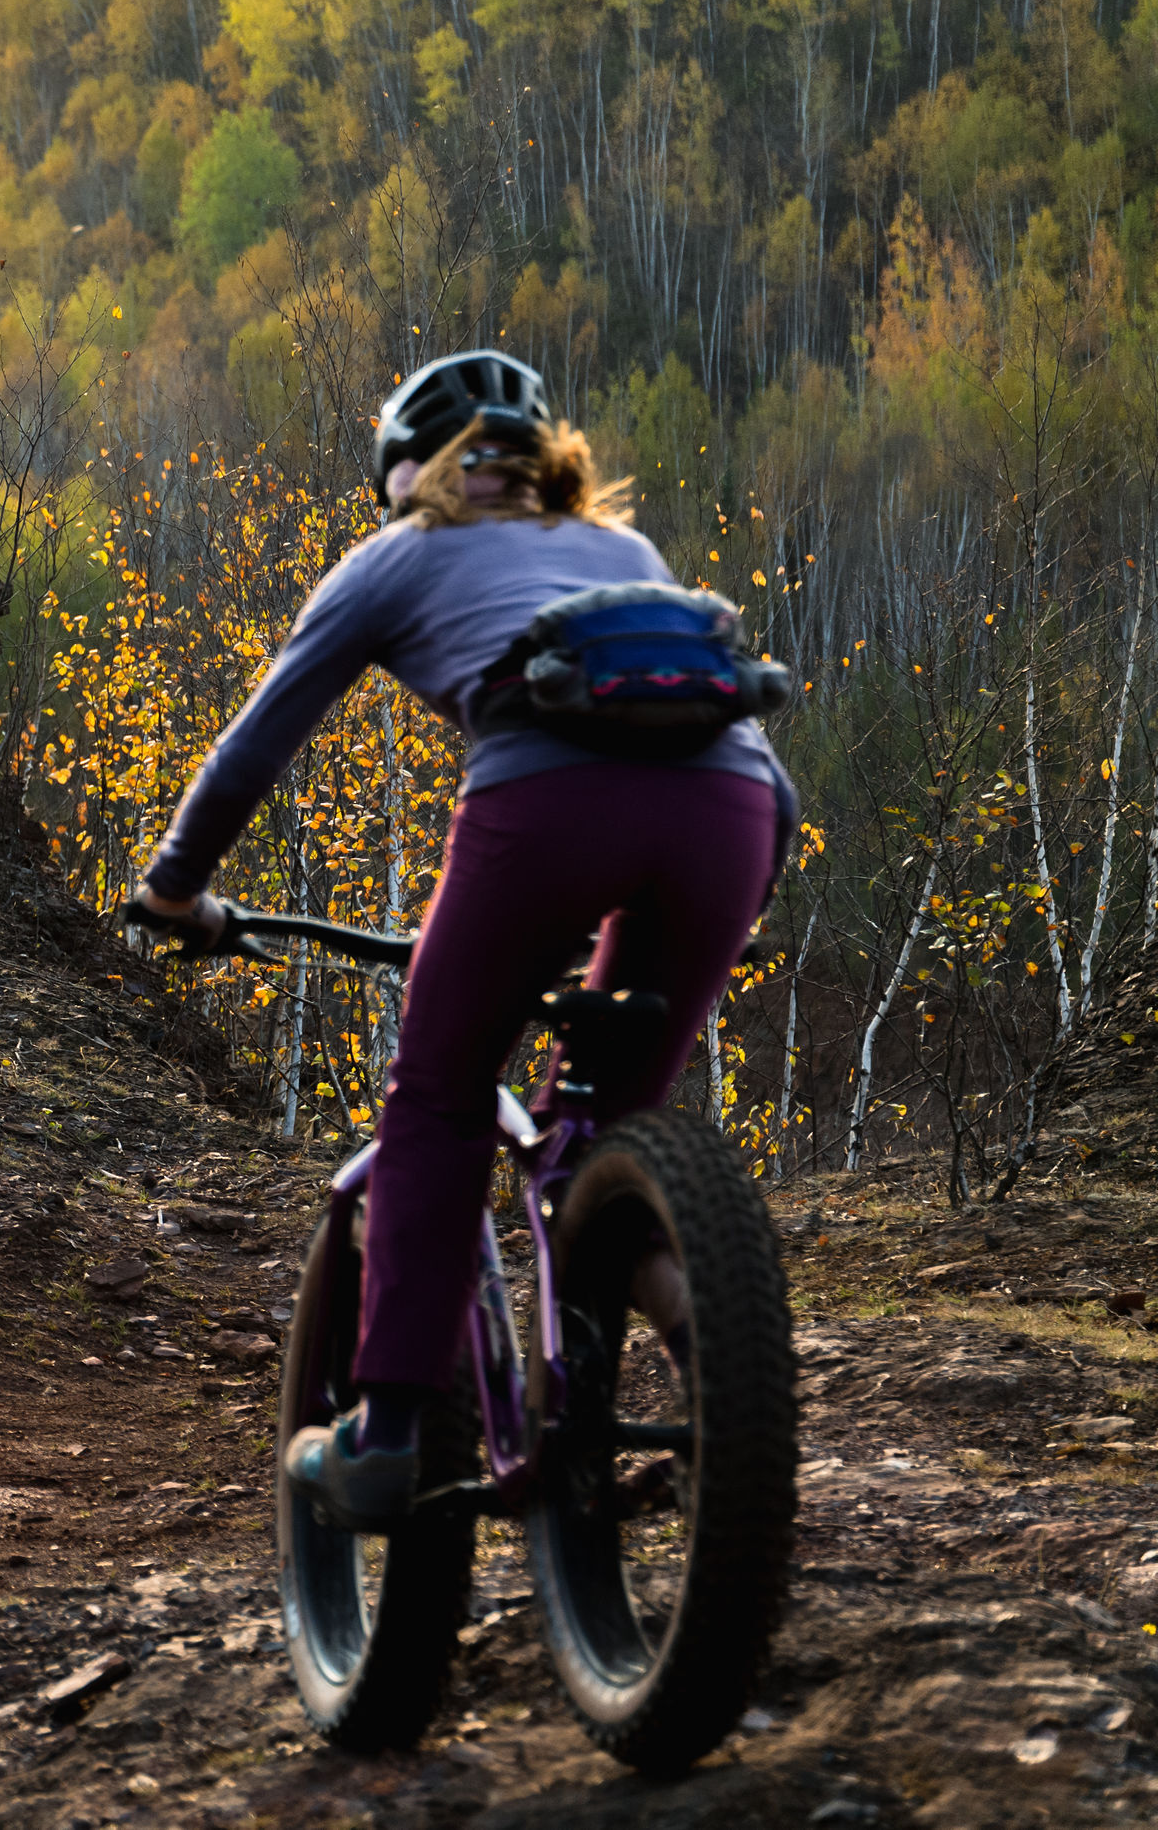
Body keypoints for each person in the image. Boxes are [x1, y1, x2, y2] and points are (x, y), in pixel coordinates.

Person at [128, 349, 792, 1528]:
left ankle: (385, 1435)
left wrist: (176, 887)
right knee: (609, 1136)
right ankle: (726, 1381)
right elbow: (747, 753)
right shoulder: (627, 554)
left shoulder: (398, 556)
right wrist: (727, 895)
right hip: (730, 820)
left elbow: (255, 744)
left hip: (544, 814)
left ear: (402, 468)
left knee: (438, 1093)